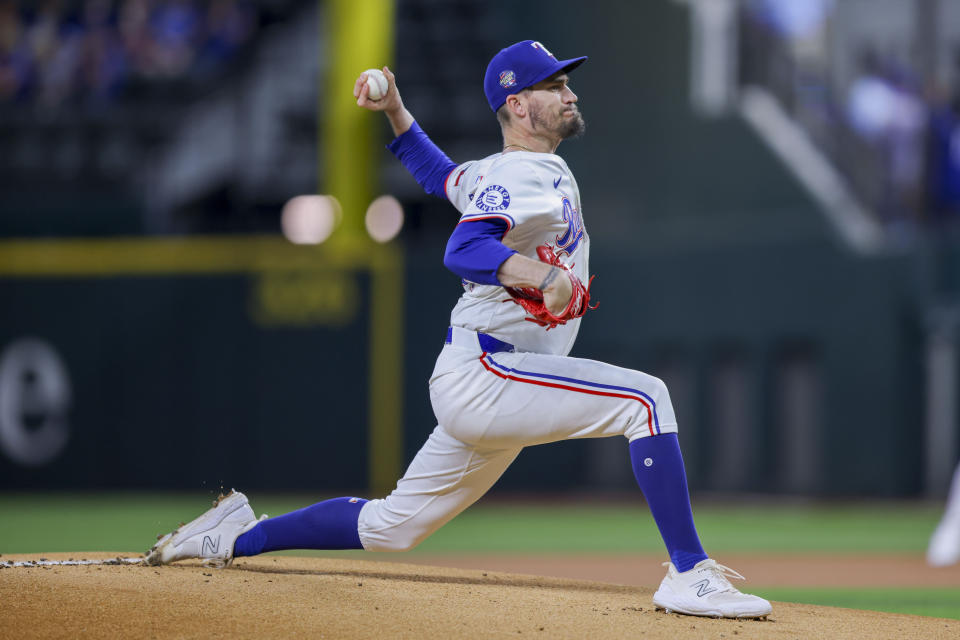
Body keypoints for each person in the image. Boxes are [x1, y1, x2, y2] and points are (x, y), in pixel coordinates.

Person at [145, 40, 772, 620]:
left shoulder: (503, 173)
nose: (570, 93)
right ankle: (688, 572)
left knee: (395, 525)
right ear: (518, 104)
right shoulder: (523, 175)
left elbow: (437, 174)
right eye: (554, 85)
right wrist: (535, 273)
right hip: (489, 373)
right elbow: (464, 248)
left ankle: (234, 533)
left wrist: (394, 110)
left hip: (494, 376)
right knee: (646, 398)